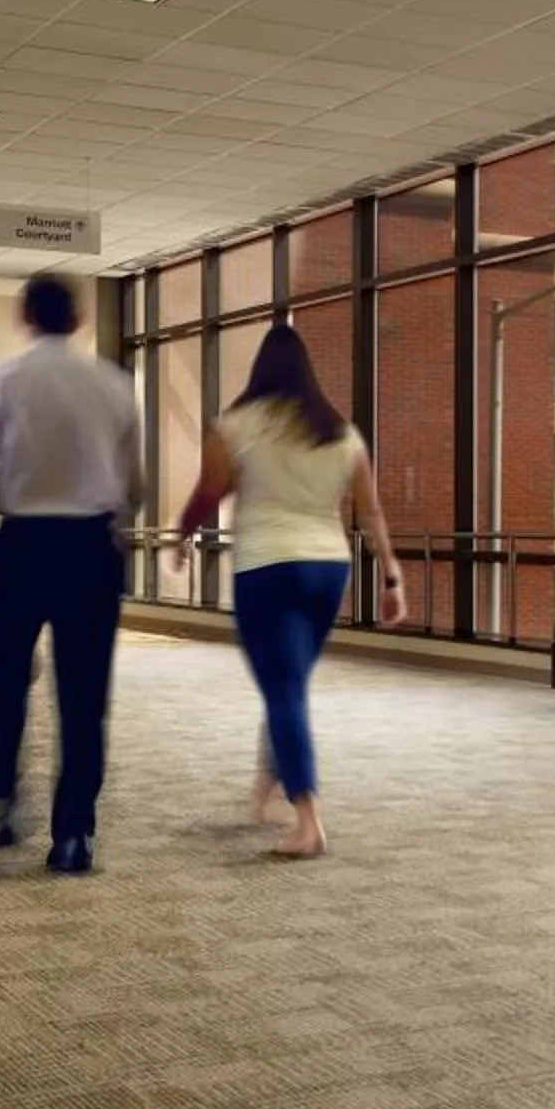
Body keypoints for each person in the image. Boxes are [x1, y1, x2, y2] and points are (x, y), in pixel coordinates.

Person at [173, 323, 405, 861]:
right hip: (328, 568)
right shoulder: (341, 433)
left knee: (283, 690)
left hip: (267, 567)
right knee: (289, 681)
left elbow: (209, 491)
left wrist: (181, 537)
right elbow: (369, 510)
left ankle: (309, 821)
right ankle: (265, 786)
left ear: (259, 369)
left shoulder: (237, 425)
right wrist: (391, 576)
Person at [0, 275, 146, 876]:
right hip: (90, 548)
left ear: (24, 317)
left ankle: (2, 796)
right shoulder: (116, 386)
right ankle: (75, 835)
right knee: (84, 698)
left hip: (22, 546)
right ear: (80, 319)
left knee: (6, 678)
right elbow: (134, 485)